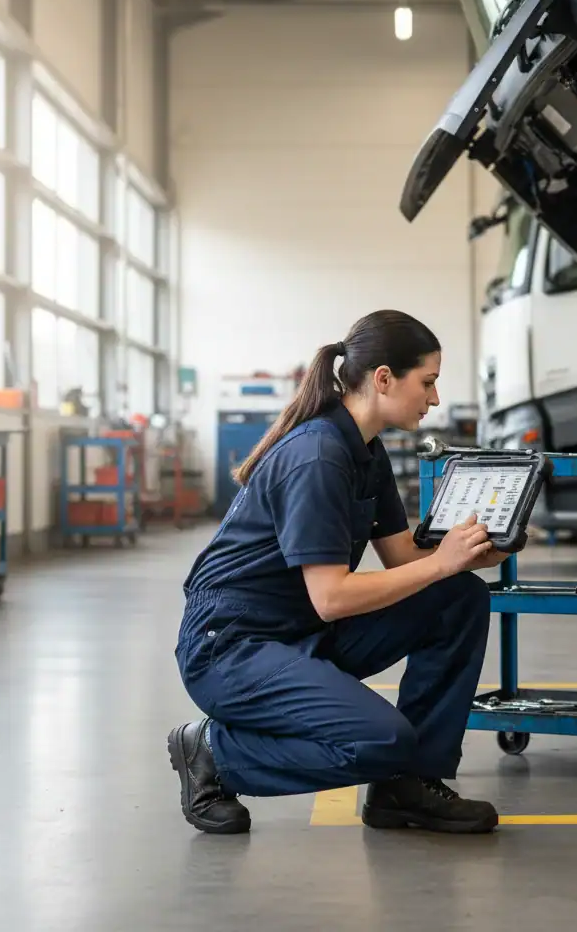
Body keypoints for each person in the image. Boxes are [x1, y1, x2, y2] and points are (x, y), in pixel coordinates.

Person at [169, 310, 513, 836]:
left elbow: (402, 558)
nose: (435, 398)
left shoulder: (365, 449)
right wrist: (440, 562)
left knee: (458, 596)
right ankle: (214, 753)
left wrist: (464, 557)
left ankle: (408, 788)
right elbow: (331, 597)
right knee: (382, 740)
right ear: (383, 379)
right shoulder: (318, 456)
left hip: (300, 628)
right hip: (232, 647)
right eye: (427, 382)